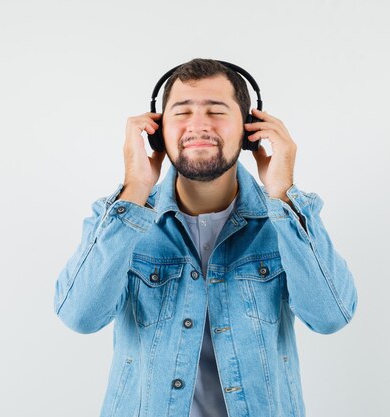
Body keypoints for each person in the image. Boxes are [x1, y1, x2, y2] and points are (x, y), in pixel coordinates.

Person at [53, 58, 358, 417]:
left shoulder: (283, 221)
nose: (198, 125)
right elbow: (80, 316)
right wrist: (134, 189)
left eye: (216, 111)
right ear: (157, 131)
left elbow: (331, 316)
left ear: (249, 131)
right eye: (182, 113)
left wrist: (284, 192)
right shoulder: (122, 221)